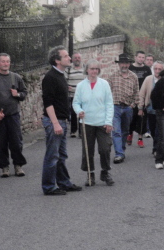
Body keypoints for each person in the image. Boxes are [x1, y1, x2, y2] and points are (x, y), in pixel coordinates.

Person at [41, 46, 83, 196]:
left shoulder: (60, 75)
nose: (69, 58)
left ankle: (64, 183)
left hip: (62, 121)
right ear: (57, 60)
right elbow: (48, 103)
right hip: (55, 121)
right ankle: (49, 187)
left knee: (61, 155)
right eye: (65, 56)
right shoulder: (50, 77)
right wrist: (55, 123)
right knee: (52, 156)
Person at [73, 59, 115, 187]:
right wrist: (79, 111)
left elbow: (109, 104)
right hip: (87, 122)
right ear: (87, 70)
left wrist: (109, 122)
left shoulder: (104, 84)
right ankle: (90, 174)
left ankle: (105, 172)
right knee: (88, 150)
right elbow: (75, 102)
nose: (94, 71)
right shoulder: (81, 86)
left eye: (97, 69)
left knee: (105, 148)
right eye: (92, 69)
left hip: (102, 123)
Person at [0, 53, 28, 178]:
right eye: (3, 61)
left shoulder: (16, 77)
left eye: (7, 61)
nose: (5, 64)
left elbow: (24, 93)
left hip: (13, 115)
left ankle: (18, 165)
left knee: (16, 142)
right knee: (1, 142)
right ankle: (4, 167)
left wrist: (18, 95)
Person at [108, 53, 139, 164]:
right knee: (116, 131)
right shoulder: (112, 76)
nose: (124, 65)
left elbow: (136, 93)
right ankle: (119, 154)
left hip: (127, 108)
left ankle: (121, 149)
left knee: (125, 131)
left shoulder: (133, 77)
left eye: (126, 63)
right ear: (119, 64)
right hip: (115, 107)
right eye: (122, 63)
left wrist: (133, 105)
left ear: (129, 64)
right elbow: (107, 93)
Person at [139, 61, 164, 157]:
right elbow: (142, 94)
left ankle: (156, 149)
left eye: (159, 69)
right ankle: (156, 144)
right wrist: (140, 107)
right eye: (155, 69)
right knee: (153, 130)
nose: (157, 71)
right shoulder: (148, 79)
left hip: (162, 110)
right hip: (150, 109)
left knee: (159, 130)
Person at [128, 51, 152, 148]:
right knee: (131, 117)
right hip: (132, 96)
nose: (141, 59)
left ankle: (140, 138)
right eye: (140, 57)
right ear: (135, 57)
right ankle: (130, 134)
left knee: (142, 118)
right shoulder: (130, 68)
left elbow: (150, 81)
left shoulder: (147, 69)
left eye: (143, 57)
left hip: (143, 96)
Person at [66, 52, 84, 138]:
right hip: (72, 94)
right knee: (73, 113)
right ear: (72, 59)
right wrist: (66, 86)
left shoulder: (85, 68)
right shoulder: (68, 69)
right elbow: (64, 79)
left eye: (78, 57)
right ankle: (73, 131)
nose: (77, 59)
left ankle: (81, 132)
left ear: (81, 59)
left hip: (83, 95)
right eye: (75, 57)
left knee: (82, 113)